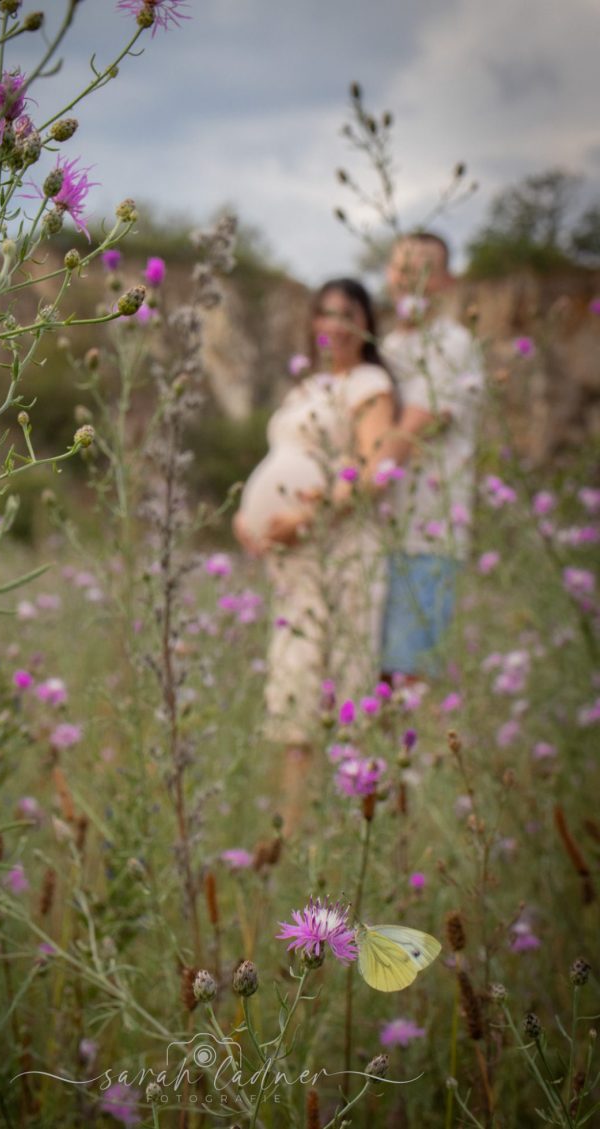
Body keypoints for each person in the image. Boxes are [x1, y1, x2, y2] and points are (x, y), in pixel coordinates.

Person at [233, 279, 396, 830]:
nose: (332, 324)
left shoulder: (369, 384)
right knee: (295, 678)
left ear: (365, 323)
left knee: (342, 680)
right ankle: (293, 826)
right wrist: (248, 518)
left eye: (345, 314)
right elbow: (280, 456)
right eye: (323, 313)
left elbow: (375, 472)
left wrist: (307, 516)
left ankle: (348, 823)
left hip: (339, 547)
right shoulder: (305, 388)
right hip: (294, 561)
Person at [378, 232, 484, 682]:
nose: (410, 279)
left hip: (426, 532)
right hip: (378, 531)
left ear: (445, 281)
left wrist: (353, 483)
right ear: (388, 274)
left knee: (406, 677)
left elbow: (415, 425)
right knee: (368, 677)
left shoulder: (452, 343)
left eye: (424, 269)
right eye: (402, 267)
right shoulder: (385, 347)